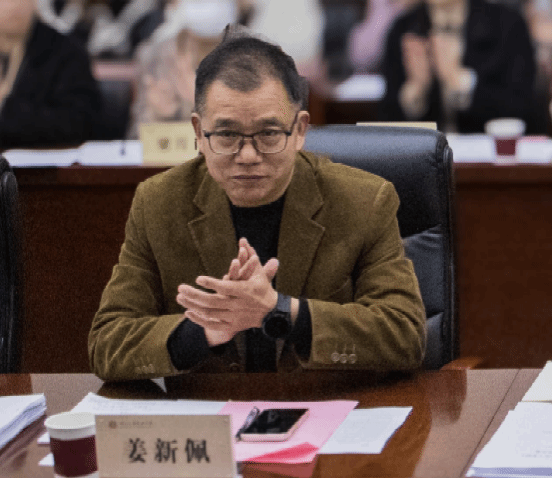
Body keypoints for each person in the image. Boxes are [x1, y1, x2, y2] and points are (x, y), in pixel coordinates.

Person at [88, 26, 426, 381]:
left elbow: (405, 335)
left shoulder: (364, 200)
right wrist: (203, 329)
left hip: (326, 404)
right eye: (227, 134)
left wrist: (283, 312)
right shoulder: (158, 203)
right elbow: (107, 343)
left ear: (299, 130)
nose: (247, 155)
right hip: (210, 411)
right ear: (198, 133)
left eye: (268, 134)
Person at [380, 0, 537, 133]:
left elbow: (522, 108)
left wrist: (461, 81)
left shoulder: (507, 24)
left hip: (485, 151)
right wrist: (416, 90)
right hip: (425, 154)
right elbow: (386, 120)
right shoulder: (403, 29)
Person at [0, 0, 101, 150]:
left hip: (40, 160)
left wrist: (6, 108)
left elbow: (78, 124)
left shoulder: (67, 54)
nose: (14, 5)